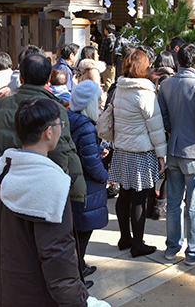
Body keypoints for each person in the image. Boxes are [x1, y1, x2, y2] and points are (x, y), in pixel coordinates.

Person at [0, 98, 90, 306]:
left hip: (6, 293)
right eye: (59, 125)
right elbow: (58, 260)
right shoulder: (51, 184)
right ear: (48, 131)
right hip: (40, 297)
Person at [0, 53, 86, 203]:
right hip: (42, 188)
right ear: (48, 80)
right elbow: (60, 153)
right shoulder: (55, 109)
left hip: (0, 186)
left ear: (21, 79)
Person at [157, 43, 195, 265]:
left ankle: (172, 247)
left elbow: (162, 117)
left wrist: (172, 132)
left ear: (177, 60)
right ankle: (194, 250)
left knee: (173, 203)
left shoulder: (166, 85)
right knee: (194, 203)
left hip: (174, 147)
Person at [111, 50, 167, 258]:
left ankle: (125, 238)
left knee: (124, 194)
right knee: (139, 198)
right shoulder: (145, 91)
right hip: (141, 151)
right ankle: (138, 243)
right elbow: (156, 127)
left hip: (122, 148)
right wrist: (162, 155)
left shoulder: (120, 87)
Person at [67, 81, 108, 282]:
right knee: (83, 232)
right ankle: (78, 273)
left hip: (74, 183)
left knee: (76, 230)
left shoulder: (70, 118)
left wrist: (98, 151)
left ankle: (79, 266)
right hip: (86, 187)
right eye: (98, 100)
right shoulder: (86, 126)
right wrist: (106, 177)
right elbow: (91, 165)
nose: (101, 104)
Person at [99, 24, 118, 91]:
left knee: (107, 81)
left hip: (107, 63)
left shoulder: (106, 40)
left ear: (106, 31)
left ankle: (109, 96)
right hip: (114, 63)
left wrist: (100, 61)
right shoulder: (116, 39)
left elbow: (102, 52)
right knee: (112, 80)